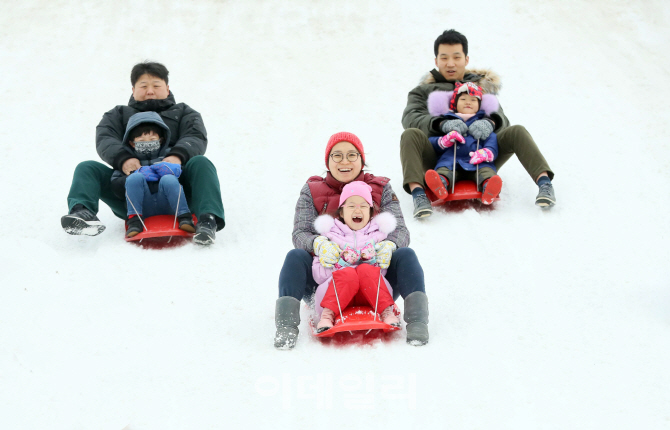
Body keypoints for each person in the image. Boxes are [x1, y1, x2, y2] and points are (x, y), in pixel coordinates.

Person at [274, 132, 429, 349]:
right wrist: (318, 244)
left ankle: (417, 322)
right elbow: (300, 232)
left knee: (406, 254)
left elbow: (400, 230)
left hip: (377, 282)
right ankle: (286, 326)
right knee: (295, 256)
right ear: (327, 161)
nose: (345, 161)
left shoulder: (381, 187)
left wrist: (389, 244)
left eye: (351, 155)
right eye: (337, 156)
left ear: (361, 160)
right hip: (327, 282)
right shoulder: (312, 190)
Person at [61, 61, 225, 244]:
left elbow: (195, 136)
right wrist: (124, 159)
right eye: (143, 86)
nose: (150, 91)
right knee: (87, 168)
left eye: (156, 85)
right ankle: (81, 213)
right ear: (133, 89)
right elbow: (105, 138)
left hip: (179, 192)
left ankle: (207, 220)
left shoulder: (185, 113)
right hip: (129, 192)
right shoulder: (117, 115)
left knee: (201, 163)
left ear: (167, 87)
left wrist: (176, 156)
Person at [401, 29, 556, 218]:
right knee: (409, 135)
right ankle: (419, 195)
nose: (450, 63)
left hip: (481, 155)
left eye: (456, 57)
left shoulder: (481, 88)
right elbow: (411, 117)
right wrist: (441, 124)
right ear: (436, 61)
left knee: (517, 131)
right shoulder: (422, 92)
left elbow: (502, 119)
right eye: (444, 58)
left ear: (466, 59)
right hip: (442, 157)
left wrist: (490, 122)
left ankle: (544, 184)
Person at [312, 181, 400, 332]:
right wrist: (339, 263)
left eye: (363, 206)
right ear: (341, 213)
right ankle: (327, 316)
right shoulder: (329, 238)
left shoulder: (379, 238)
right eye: (351, 206)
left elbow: (382, 274)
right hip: (334, 298)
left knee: (366, 270)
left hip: (371, 298)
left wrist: (373, 261)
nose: (357, 210)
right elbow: (319, 276)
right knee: (348, 274)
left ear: (371, 212)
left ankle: (386, 312)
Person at [111, 111, 195, 237]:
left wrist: (175, 170)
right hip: (143, 205)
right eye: (141, 140)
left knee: (168, 179)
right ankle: (134, 221)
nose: (147, 143)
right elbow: (115, 185)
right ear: (132, 143)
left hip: (169, 203)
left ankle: (184, 217)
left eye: (152, 139)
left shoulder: (170, 156)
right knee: (135, 178)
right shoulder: (128, 162)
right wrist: (132, 176)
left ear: (161, 140)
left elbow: (186, 178)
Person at [423, 82, 503, 205]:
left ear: (479, 105)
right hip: (451, 161)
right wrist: (443, 141)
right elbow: (431, 141)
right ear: (454, 104)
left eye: (473, 100)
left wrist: (487, 152)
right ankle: (440, 184)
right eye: (463, 99)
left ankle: (489, 187)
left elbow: (492, 140)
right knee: (444, 170)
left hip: (477, 163)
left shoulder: (483, 123)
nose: (468, 102)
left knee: (486, 171)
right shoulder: (446, 122)